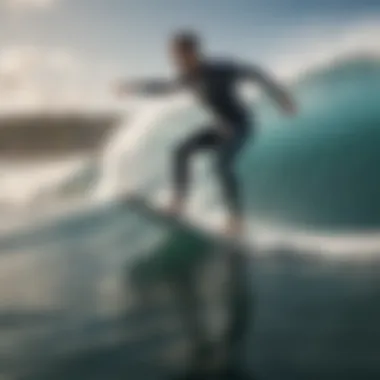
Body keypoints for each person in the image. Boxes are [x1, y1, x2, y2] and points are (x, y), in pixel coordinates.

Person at [115, 31, 296, 236]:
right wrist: (133, 87)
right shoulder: (187, 78)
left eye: (179, 55)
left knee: (220, 163)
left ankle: (236, 220)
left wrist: (281, 97)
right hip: (221, 128)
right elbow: (163, 88)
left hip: (241, 126)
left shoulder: (219, 69)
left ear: (193, 52)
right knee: (181, 150)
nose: (176, 61)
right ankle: (179, 203)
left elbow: (255, 73)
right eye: (174, 56)